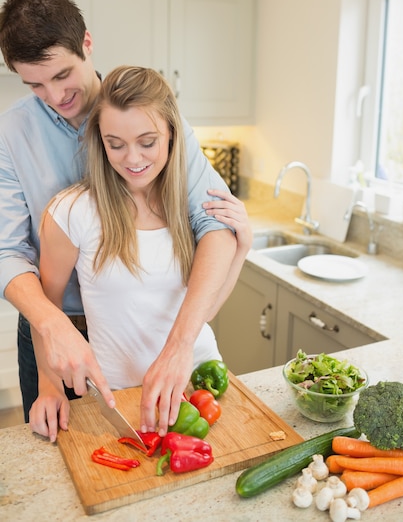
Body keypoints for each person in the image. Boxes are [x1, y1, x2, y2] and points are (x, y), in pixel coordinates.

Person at [0, 0, 252, 432]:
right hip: (48, 327)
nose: (54, 96)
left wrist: (180, 345)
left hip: (146, 336)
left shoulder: (148, 112)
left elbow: (212, 220)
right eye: (35, 84)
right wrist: (50, 328)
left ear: (87, 44)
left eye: (61, 75)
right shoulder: (11, 133)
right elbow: (7, 251)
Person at [30, 65, 245, 442]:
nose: (132, 159)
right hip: (122, 399)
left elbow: (204, 312)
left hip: (197, 388)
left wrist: (241, 249)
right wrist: (48, 387)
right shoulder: (70, 212)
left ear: (172, 136)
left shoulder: (190, 208)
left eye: (147, 142)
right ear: (100, 140)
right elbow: (46, 314)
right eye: (116, 144)